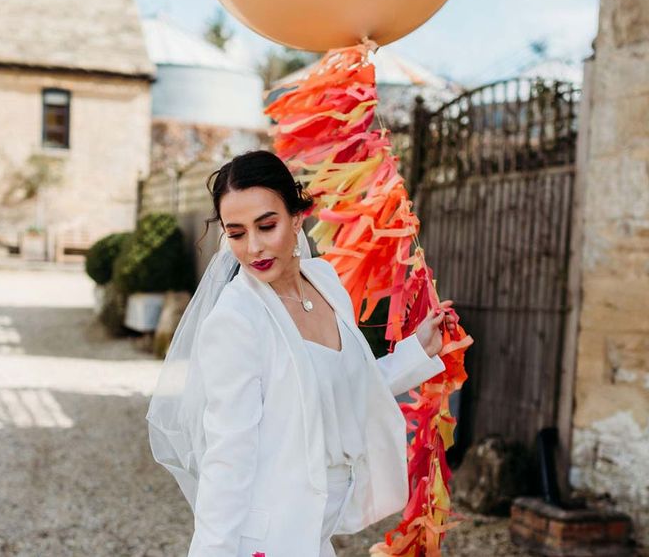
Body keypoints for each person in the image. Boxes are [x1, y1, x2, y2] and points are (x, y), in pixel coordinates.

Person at [146, 149, 449, 557]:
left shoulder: (324, 281)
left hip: (316, 530)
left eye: (266, 225)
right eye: (236, 233)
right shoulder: (236, 320)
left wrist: (419, 350)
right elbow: (227, 457)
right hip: (268, 539)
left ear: (297, 217)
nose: (253, 247)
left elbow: (343, 385)